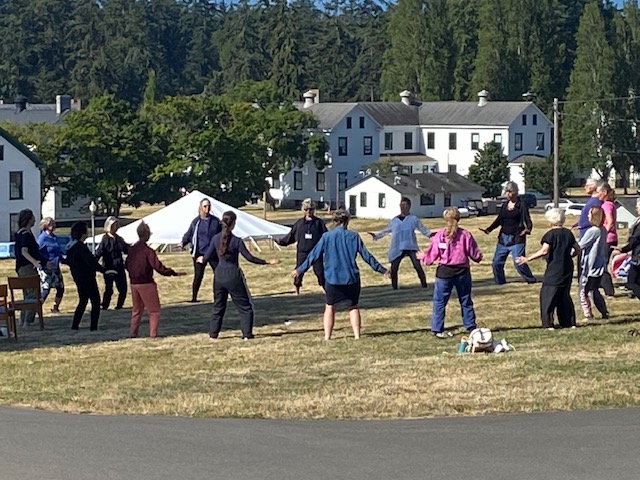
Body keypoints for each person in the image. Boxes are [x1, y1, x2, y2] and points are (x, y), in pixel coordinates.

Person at [292, 209, 390, 341]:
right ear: (347, 221)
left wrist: (299, 270)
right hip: (351, 278)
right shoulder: (354, 236)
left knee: (330, 306)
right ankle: (357, 335)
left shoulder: (327, 237)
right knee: (353, 306)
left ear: (334, 221)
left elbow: (313, 255)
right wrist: (382, 270)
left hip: (333, 278)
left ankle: (328, 336)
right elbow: (367, 256)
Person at [204, 211, 280, 340]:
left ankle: (213, 334)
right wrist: (267, 261)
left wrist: (200, 259)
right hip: (233, 275)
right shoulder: (236, 241)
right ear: (233, 223)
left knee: (218, 306)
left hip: (219, 276)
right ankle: (246, 334)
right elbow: (250, 258)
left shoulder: (215, 239)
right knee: (245, 307)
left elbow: (206, 257)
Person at [417, 207, 483, 338]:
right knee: (465, 300)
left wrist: (423, 258)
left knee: (440, 302)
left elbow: (431, 256)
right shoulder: (466, 235)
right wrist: (479, 256)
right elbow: (475, 255)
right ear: (458, 218)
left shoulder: (440, 235)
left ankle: (437, 329)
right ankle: (470, 327)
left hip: (444, 272)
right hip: (462, 272)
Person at [516, 208, 581, 329]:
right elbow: (577, 249)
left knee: (548, 295)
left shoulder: (550, 235)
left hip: (554, 268)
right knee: (564, 295)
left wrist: (527, 259)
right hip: (567, 267)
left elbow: (544, 250)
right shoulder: (568, 233)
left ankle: (548, 323)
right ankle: (568, 322)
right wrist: (570, 256)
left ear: (551, 221)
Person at [125, 221, 186, 338]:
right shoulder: (148, 251)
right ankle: (153, 334)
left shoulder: (132, 250)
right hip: (146, 283)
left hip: (134, 283)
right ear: (146, 234)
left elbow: (127, 264)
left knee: (136, 310)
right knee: (154, 311)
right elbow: (159, 267)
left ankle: (133, 333)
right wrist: (172, 273)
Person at [480, 181, 536, 284]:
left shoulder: (521, 205)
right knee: (496, 263)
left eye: (509, 192)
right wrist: (489, 229)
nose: (508, 194)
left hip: (517, 238)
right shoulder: (504, 205)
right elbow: (499, 220)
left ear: (515, 192)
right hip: (503, 238)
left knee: (518, 262)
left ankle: (530, 279)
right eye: (506, 192)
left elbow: (528, 220)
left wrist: (528, 229)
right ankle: (500, 281)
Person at [369, 197, 430, 290]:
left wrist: (432, 235)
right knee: (394, 267)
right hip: (397, 247)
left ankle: (424, 284)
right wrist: (376, 235)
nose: (403, 207)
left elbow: (424, 230)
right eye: (401, 205)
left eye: (405, 205)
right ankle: (394, 287)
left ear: (409, 206)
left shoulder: (413, 219)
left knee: (417, 266)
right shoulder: (394, 220)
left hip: (411, 246)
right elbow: (386, 230)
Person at [276, 198, 327, 294]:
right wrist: (281, 242)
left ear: (314, 210)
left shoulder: (319, 223)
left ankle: (325, 290)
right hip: (302, 252)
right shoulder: (299, 223)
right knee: (299, 272)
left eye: (311, 209)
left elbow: (326, 236)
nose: (308, 211)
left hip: (316, 252)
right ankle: (297, 291)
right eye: (306, 209)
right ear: (303, 210)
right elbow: (291, 236)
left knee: (320, 272)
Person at [177, 198, 221, 302]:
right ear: (201, 207)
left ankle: (219, 296)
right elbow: (189, 234)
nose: (207, 208)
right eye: (205, 206)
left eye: (209, 206)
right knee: (198, 276)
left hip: (212, 253)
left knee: (219, 274)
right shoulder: (196, 222)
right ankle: (194, 298)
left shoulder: (215, 221)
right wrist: (183, 242)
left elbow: (222, 235)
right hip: (199, 253)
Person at [66, 222, 105, 331]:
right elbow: (91, 262)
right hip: (87, 277)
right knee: (95, 301)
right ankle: (93, 327)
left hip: (78, 278)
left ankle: (75, 325)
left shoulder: (70, 247)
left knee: (83, 300)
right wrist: (103, 270)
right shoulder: (81, 247)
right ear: (83, 233)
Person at [14, 209, 47, 326]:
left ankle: (22, 319)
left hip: (20, 267)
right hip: (27, 266)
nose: (35, 219)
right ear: (28, 220)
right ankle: (27, 320)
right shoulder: (26, 235)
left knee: (27, 293)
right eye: (33, 217)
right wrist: (34, 262)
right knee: (33, 293)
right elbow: (24, 251)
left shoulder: (19, 233)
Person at [577, 206, 609, 321]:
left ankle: (588, 314)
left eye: (590, 214)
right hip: (600, 265)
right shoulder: (603, 230)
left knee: (583, 291)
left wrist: (570, 250)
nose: (588, 216)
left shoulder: (593, 231)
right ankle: (604, 312)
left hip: (591, 267)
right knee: (595, 290)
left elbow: (581, 245)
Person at [95, 216, 130, 310]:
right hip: (109, 268)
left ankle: (119, 306)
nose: (116, 227)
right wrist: (96, 266)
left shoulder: (119, 239)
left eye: (116, 225)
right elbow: (99, 253)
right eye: (114, 225)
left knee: (123, 288)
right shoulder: (105, 239)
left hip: (119, 267)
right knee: (109, 289)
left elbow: (127, 249)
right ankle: (105, 306)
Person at [612, 199, 640, 301]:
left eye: (638, 206)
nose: (636, 208)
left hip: (638, 258)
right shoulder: (637, 220)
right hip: (636, 255)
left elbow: (635, 240)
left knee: (631, 283)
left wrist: (622, 249)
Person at [37, 217, 65, 313]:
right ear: (45, 226)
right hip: (46, 268)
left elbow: (58, 251)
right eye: (50, 224)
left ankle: (55, 307)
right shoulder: (42, 238)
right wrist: (43, 262)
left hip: (55, 267)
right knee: (46, 289)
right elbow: (36, 252)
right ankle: (37, 309)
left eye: (53, 224)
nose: (53, 226)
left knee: (60, 287)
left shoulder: (54, 238)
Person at [597, 183, 617, 297]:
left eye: (599, 192)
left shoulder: (606, 205)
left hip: (608, 239)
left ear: (604, 193)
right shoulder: (610, 204)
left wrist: (603, 234)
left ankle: (609, 290)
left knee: (602, 263)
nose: (597, 194)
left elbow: (610, 221)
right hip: (611, 238)